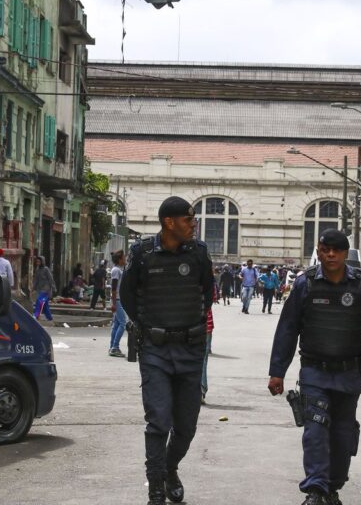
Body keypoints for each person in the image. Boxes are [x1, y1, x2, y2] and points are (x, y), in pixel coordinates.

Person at [268, 229, 361, 505]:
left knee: (343, 434)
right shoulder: (305, 285)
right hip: (314, 372)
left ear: (345, 254)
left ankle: (332, 487)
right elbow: (287, 329)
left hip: (349, 374)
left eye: (337, 250)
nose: (330, 255)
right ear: (318, 251)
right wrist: (277, 371)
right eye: (325, 249)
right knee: (315, 429)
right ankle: (316, 490)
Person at [120, 196, 214, 505]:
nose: (193, 225)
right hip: (156, 351)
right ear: (168, 223)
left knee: (186, 427)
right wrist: (149, 326)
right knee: (159, 420)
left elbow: (205, 294)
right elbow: (127, 296)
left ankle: (170, 468)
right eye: (188, 220)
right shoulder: (142, 254)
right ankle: (156, 487)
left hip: (190, 348)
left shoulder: (199, 255)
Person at [108, 250, 128, 357]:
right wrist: (114, 303)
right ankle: (115, 347)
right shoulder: (116, 270)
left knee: (116, 324)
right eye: (123, 258)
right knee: (123, 323)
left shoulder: (118, 269)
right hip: (117, 300)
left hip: (118, 299)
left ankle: (112, 346)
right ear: (119, 259)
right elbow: (114, 288)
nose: (125, 259)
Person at [32, 256, 55, 320]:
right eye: (37, 262)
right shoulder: (37, 269)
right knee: (45, 305)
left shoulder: (46, 269)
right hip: (39, 288)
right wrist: (33, 288)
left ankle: (35, 314)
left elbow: (50, 279)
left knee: (39, 301)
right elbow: (36, 280)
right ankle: (49, 317)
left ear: (42, 262)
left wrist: (53, 287)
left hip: (46, 289)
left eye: (39, 262)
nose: (38, 263)